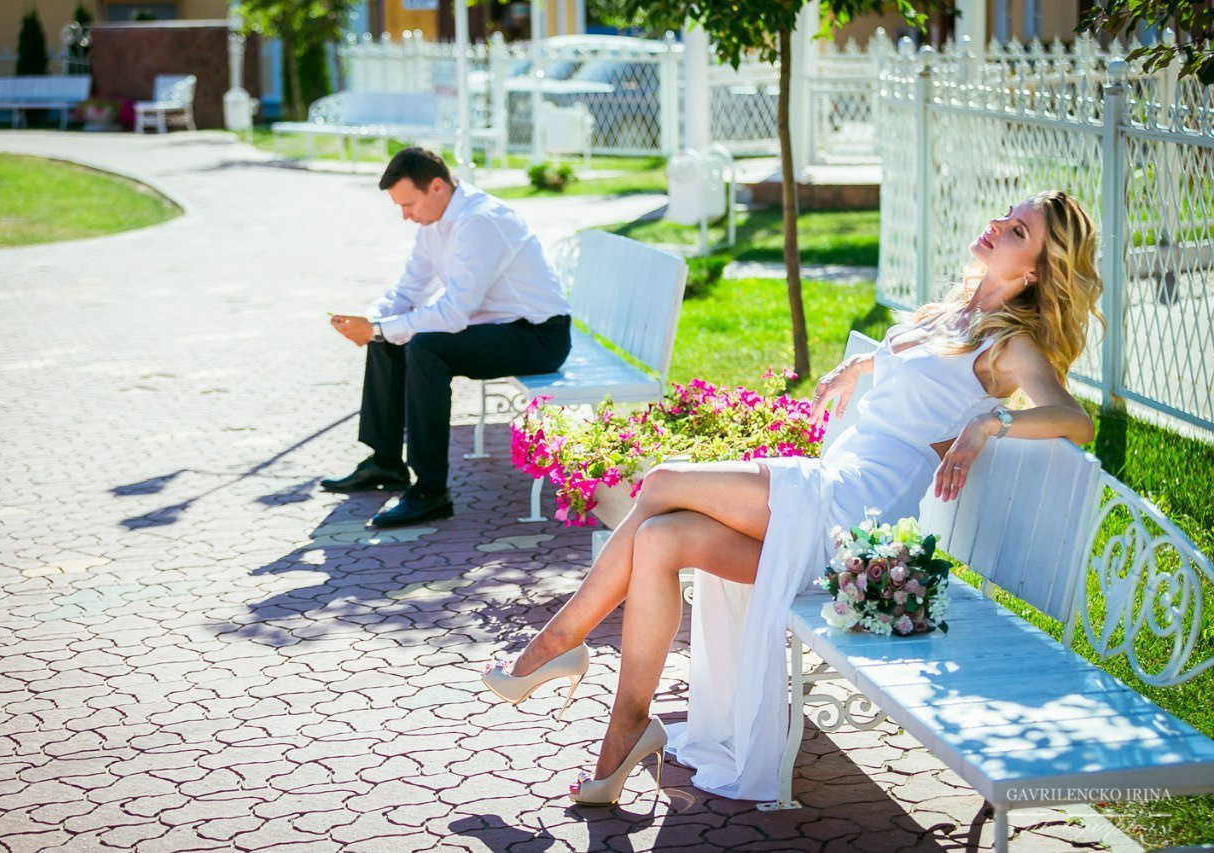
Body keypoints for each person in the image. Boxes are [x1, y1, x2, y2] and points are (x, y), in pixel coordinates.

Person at [481, 191, 1104, 804]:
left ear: (1032, 274)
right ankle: (628, 730)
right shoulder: (946, 314)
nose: (999, 224)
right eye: (1007, 214)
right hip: (828, 495)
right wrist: (864, 368)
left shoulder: (1008, 345)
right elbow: (915, 385)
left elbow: (1074, 420)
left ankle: (556, 645)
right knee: (659, 537)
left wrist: (991, 424)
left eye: (1019, 231)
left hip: (847, 512)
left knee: (662, 483)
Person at [325, 148, 572, 528]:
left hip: (539, 336)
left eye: (408, 203)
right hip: (496, 327)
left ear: (437, 186)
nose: (405, 215)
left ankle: (431, 492)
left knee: (424, 346)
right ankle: (386, 462)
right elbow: (407, 292)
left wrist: (377, 328)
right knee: (391, 333)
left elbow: (455, 313)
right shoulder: (434, 223)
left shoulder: (481, 221)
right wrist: (371, 322)